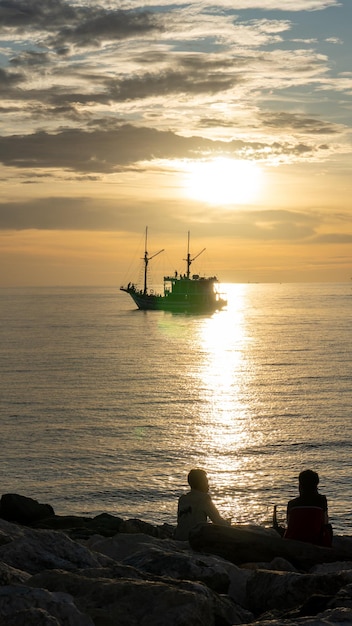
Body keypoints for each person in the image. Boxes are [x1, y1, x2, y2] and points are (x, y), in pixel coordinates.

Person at [174, 469, 230, 541]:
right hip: (194, 539)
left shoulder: (182, 499)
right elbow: (218, 521)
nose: (208, 485)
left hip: (179, 537)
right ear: (201, 483)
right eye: (206, 482)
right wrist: (228, 523)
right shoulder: (204, 499)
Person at [284, 469, 332, 546]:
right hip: (315, 540)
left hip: (294, 539)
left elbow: (289, 524)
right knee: (328, 527)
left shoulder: (292, 504)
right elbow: (325, 522)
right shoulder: (321, 500)